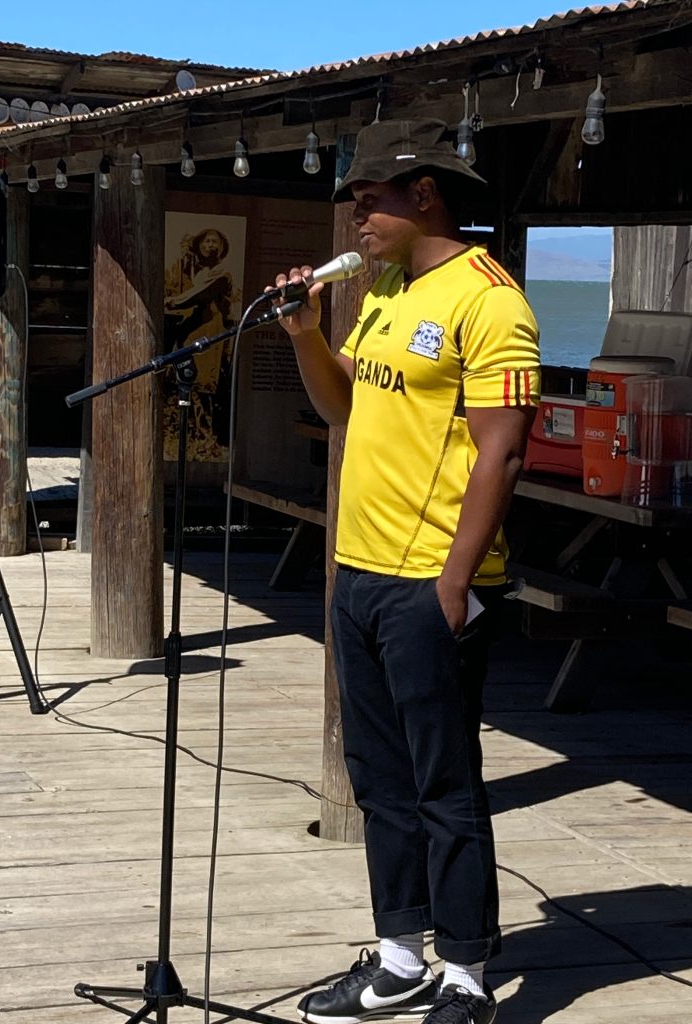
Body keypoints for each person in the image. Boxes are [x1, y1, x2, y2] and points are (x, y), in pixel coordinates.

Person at [271, 119, 541, 1024]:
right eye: (353, 200)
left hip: (432, 577)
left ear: (424, 193)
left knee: (445, 782)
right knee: (377, 778)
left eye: (368, 199)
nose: (356, 218)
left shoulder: (490, 299)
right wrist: (309, 331)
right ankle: (398, 957)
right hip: (358, 569)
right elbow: (343, 402)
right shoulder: (384, 288)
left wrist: (456, 585)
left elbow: (502, 455)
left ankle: (466, 974)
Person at [163, 227, 236, 461]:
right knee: (191, 383)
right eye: (206, 241)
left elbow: (199, 294)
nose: (210, 246)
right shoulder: (195, 270)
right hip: (193, 329)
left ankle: (209, 437)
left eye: (215, 242)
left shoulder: (223, 272)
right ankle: (195, 433)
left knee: (208, 384)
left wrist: (172, 302)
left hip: (212, 330)